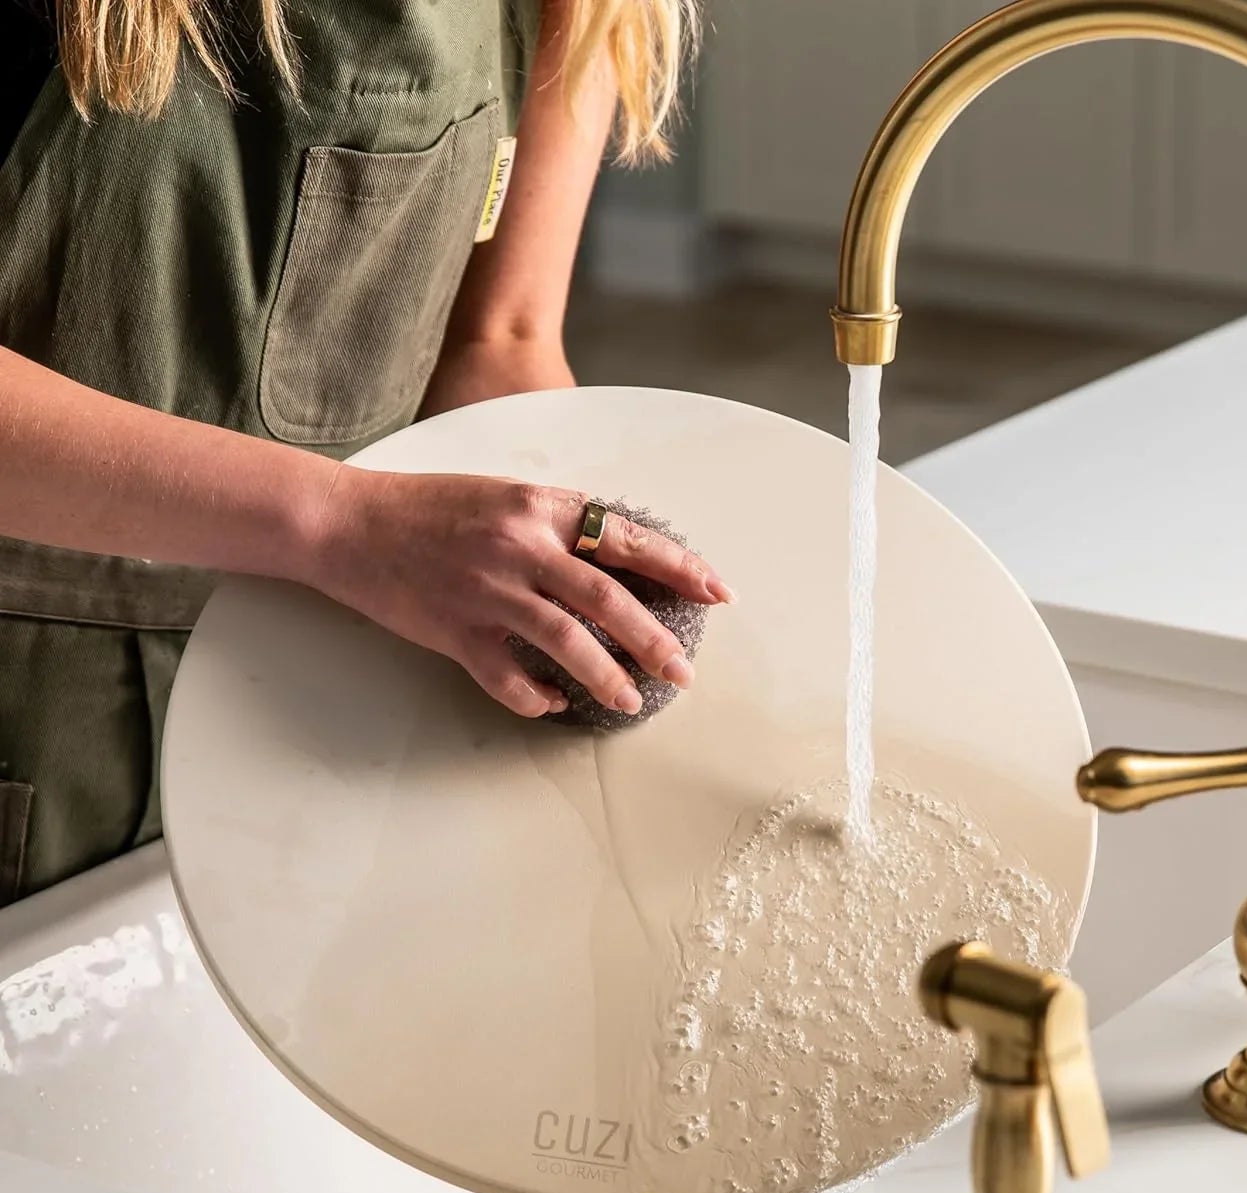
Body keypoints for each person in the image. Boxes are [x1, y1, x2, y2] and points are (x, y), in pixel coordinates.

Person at [0, 0, 730, 908]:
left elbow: (500, 337)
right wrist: (346, 525)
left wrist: (560, 605)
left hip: (323, 704)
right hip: (33, 718)